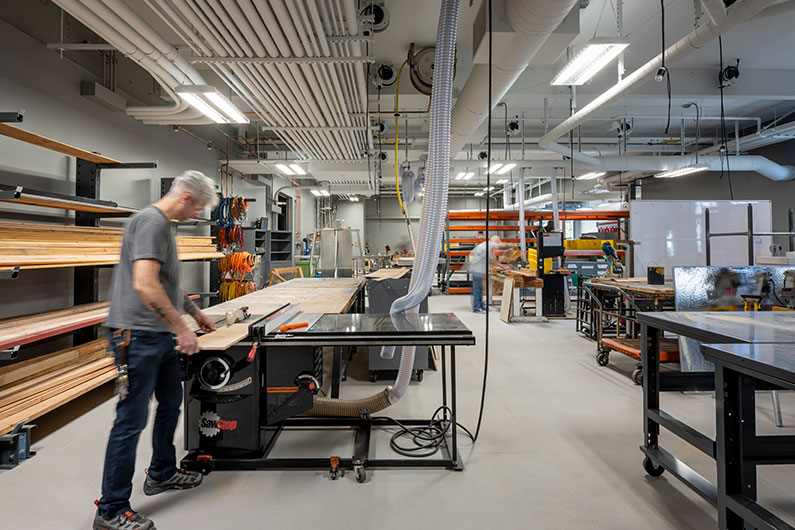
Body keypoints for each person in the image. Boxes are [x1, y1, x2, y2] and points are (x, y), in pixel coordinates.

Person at [94, 171, 219, 530]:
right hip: (136, 336)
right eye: (198, 209)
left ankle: (162, 471)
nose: (197, 215)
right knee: (130, 420)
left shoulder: (163, 225)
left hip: (158, 334)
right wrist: (183, 329)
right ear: (185, 198)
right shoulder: (151, 222)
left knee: (170, 403)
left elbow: (165, 282)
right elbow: (145, 284)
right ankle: (111, 508)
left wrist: (194, 313)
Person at [468, 235, 511, 312]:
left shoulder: (487, 245)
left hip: (479, 269)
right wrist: (508, 248)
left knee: (480, 288)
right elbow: (494, 260)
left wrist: (503, 267)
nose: (498, 247)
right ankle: (477, 307)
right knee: (477, 289)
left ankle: (480, 305)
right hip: (477, 269)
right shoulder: (487, 247)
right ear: (496, 242)